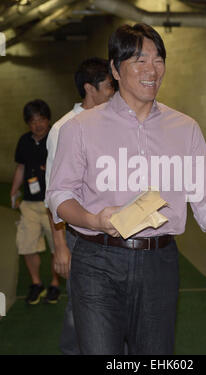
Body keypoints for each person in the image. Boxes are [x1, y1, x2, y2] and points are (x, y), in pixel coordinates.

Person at [46, 23, 206, 355]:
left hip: (159, 263)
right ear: (115, 68)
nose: (151, 70)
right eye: (139, 60)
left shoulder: (185, 129)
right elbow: (58, 195)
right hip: (97, 261)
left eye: (158, 59)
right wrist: (93, 219)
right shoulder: (80, 128)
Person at [45, 57, 114, 355]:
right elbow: (54, 196)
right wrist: (60, 246)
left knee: (113, 307)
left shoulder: (113, 124)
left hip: (112, 233)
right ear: (90, 88)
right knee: (80, 308)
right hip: (78, 237)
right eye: (110, 85)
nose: (115, 91)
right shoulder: (63, 129)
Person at [10, 99, 59, 305]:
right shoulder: (24, 141)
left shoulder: (56, 139)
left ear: (48, 120)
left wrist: (53, 172)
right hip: (29, 203)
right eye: (33, 121)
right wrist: (14, 191)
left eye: (41, 119)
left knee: (57, 247)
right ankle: (36, 283)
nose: (38, 124)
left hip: (52, 204)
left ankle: (55, 284)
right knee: (27, 245)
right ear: (27, 123)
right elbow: (21, 167)